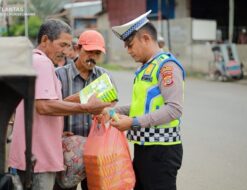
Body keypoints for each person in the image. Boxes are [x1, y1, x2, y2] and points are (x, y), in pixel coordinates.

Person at [8, 19, 110, 190]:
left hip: (34, 154)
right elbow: (44, 106)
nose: (65, 51)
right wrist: (85, 107)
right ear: (45, 40)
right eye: (62, 44)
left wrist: (75, 101)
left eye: (68, 46)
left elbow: (39, 106)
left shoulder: (35, 61)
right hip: (38, 158)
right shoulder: (42, 63)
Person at [110, 10, 185, 190]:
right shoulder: (146, 68)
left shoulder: (166, 66)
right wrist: (113, 112)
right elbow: (141, 107)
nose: (128, 51)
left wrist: (133, 122)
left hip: (162, 151)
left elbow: (174, 109)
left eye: (130, 44)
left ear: (145, 38)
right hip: (145, 147)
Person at [54, 30, 117, 190]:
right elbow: (50, 109)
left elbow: (112, 108)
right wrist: (57, 132)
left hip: (96, 152)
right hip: (67, 153)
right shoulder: (59, 76)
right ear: (77, 49)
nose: (93, 57)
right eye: (89, 51)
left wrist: (107, 114)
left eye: (97, 53)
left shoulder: (105, 77)